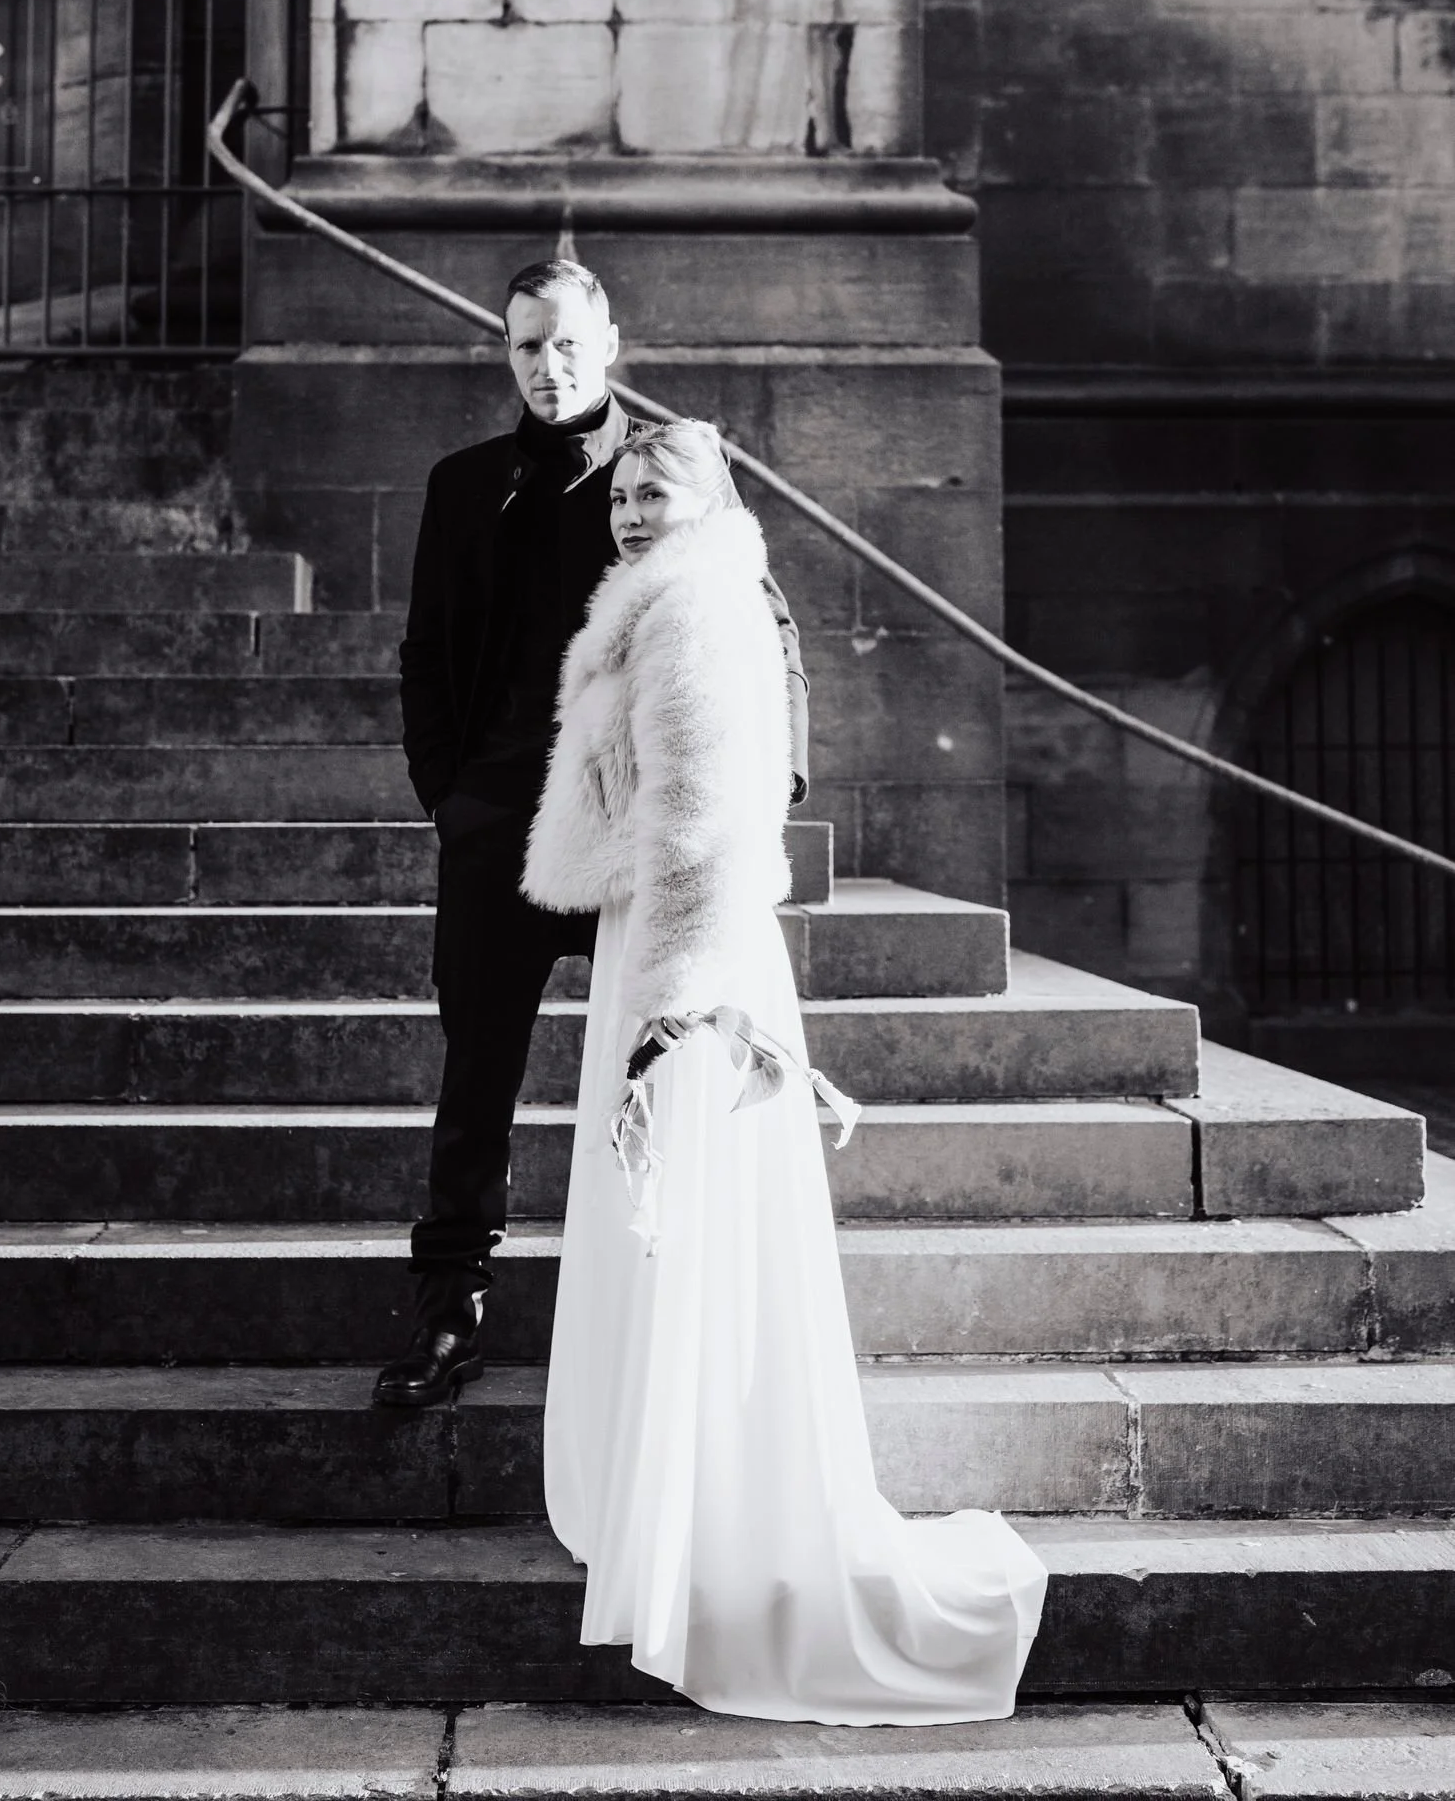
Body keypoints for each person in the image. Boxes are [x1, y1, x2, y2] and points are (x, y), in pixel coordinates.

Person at [522, 419, 1048, 1724]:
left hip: (686, 961)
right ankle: (677, 1510)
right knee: (675, 1234)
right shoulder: (666, 602)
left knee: (692, 1226)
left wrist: (667, 1012)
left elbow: (701, 820)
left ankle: (704, 1525)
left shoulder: (698, 607)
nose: (631, 514)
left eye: (657, 493)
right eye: (622, 495)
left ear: (709, 502)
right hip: (659, 940)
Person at [375, 261, 808, 1410]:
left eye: (568, 342)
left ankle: (667, 1318)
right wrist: (446, 795)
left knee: (662, 1069)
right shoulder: (463, 485)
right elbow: (424, 651)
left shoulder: (665, 468)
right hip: (497, 826)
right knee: (477, 1073)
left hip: (635, 835)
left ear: (610, 342)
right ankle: (450, 1308)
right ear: (505, 352)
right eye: (528, 345)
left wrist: (767, 788)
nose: (549, 365)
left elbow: (765, 623)